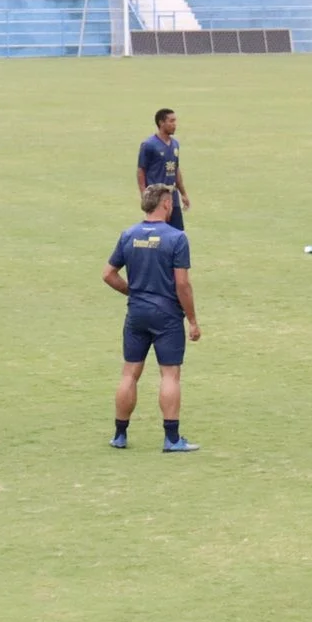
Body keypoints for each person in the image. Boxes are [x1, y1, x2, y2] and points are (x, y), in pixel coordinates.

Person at [104, 184, 200, 452]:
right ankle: (171, 439)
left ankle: (120, 435)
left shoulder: (129, 234)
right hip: (167, 315)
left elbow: (108, 274)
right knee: (169, 375)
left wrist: (131, 292)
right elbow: (182, 285)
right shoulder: (177, 238)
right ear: (166, 204)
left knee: (130, 373)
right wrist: (192, 320)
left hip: (136, 312)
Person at [137, 108, 189, 230]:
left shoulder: (175, 144)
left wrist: (183, 194)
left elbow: (175, 169)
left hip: (172, 198)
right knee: (157, 233)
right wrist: (144, 194)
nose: (174, 124)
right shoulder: (149, 145)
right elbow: (141, 171)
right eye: (171, 121)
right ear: (161, 123)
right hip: (156, 198)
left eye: (175, 121)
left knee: (177, 233)